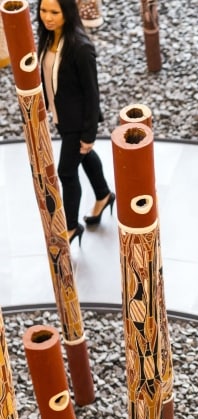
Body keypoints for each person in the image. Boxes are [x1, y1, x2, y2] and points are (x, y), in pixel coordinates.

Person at [37, 0, 114, 246]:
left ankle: (71, 226)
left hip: (78, 122)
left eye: (54, 12)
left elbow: (92, 94)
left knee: (66, 172)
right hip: (61, 116)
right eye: (43, 10)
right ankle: (103, 195)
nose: (47, 17)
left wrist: (89, 135)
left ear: (67, 12)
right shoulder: (47, 37)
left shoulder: (80, 48)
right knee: (84, 155)